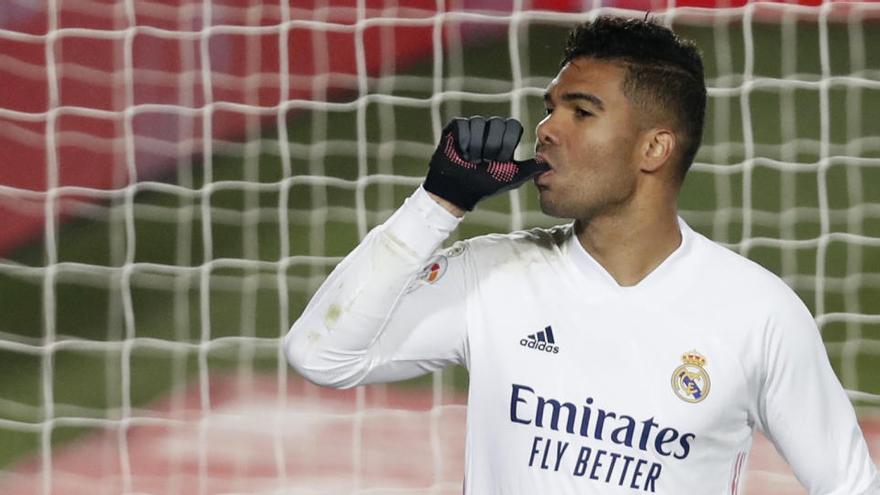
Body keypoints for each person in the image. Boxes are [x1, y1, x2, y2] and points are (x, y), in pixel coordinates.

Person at [285, 16, 879, 494]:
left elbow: (849, 483)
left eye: (581, 111)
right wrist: (436, 204)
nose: (546, 129)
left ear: (654, 147)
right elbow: (321, 355)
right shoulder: (493, 274)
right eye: (550, 107)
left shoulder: (759, 314)